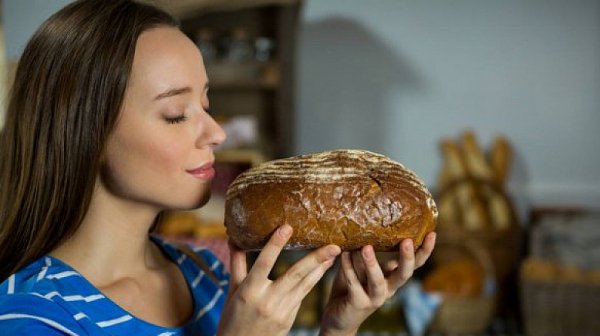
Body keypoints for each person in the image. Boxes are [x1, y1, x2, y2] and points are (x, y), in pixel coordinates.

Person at [0, 1, 436, 335]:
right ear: (86, 132)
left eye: (205, 104)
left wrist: (338, 327)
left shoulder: (205, 272)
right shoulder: (30, 316)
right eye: (176, 113)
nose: (217, 133)